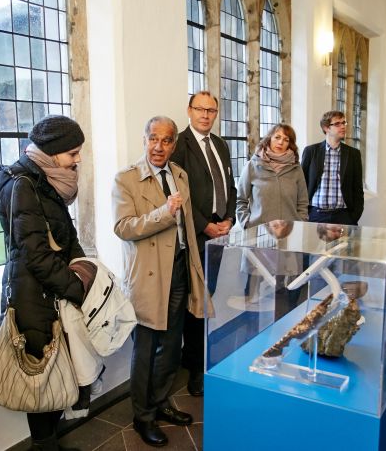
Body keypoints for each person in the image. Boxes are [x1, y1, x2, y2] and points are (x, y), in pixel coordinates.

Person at [0, 114, 91, 451]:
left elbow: (64, 235)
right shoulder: (23, 184)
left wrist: (83, 265)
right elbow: (36, 255)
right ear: (52, 153)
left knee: (55, 376)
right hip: (32, 297)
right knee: (41, 381)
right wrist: (77, 286)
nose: (78, 159)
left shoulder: (44, 179)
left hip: (50, 291)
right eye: (73, 153)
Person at [113, 116, 206, 447]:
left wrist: (194, 267)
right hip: (151, 277)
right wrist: (164, 213)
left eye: (167, 140)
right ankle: (144, 416)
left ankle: (161, 401)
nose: (159, 146)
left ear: (173, 144)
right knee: (147, 348)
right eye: (154, 138)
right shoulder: (126, 179)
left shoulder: (179, 175)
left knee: (171, 345)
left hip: (179, 270)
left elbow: (188, 232)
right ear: (144, 139)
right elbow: (124, 227)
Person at [171, 90, 237, 396]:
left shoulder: (221, 144)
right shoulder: (179, 145)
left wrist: (229, 218)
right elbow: (177, 196)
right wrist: (204, 225)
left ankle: (200, 360)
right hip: (193, 236)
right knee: (194, 307)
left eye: (212, 110)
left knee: (208, 298)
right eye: (200, 109)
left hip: (219, 233)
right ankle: (195, 370)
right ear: (189, 110)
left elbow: (231, 186)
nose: (206, 115)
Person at [236, 124, 309, 229]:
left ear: (290, 144)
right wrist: (247, 223)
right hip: (259, 232)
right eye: (277, 137)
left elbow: (303, 202)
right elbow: (241, 200)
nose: (280, 142)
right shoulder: (252, 166)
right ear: (269, 138)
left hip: (290, 232)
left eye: (286, 140)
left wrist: (301, 224)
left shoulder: (296, 168)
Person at [301, 110, 364, 225]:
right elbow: (302, 184)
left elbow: (358, 189)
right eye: (337, 124)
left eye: (344, 123)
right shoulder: (311, 151)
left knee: (345, 244)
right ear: (326, 128)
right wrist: (305, 213)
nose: (343, 127)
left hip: (343, 216)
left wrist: (353, 216)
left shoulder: (353, 154)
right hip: (315, 215)